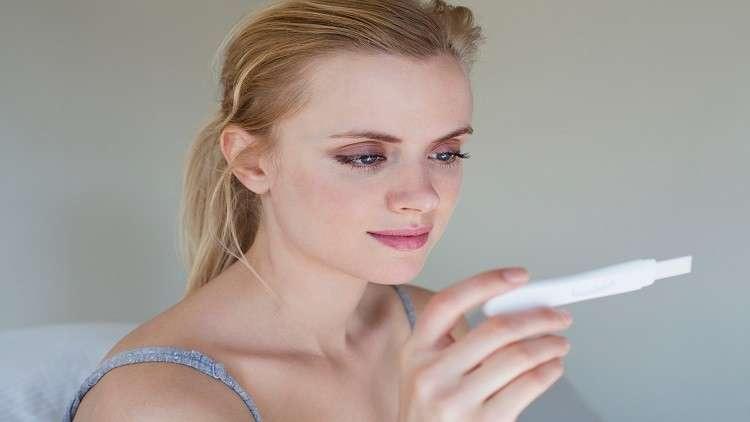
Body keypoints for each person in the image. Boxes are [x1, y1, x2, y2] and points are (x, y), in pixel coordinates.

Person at [65, 1, 573, 421]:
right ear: (252, 162)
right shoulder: (157, 404)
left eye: (445, 153)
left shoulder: (429, 330)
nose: (423, 196)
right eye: (365, 156)